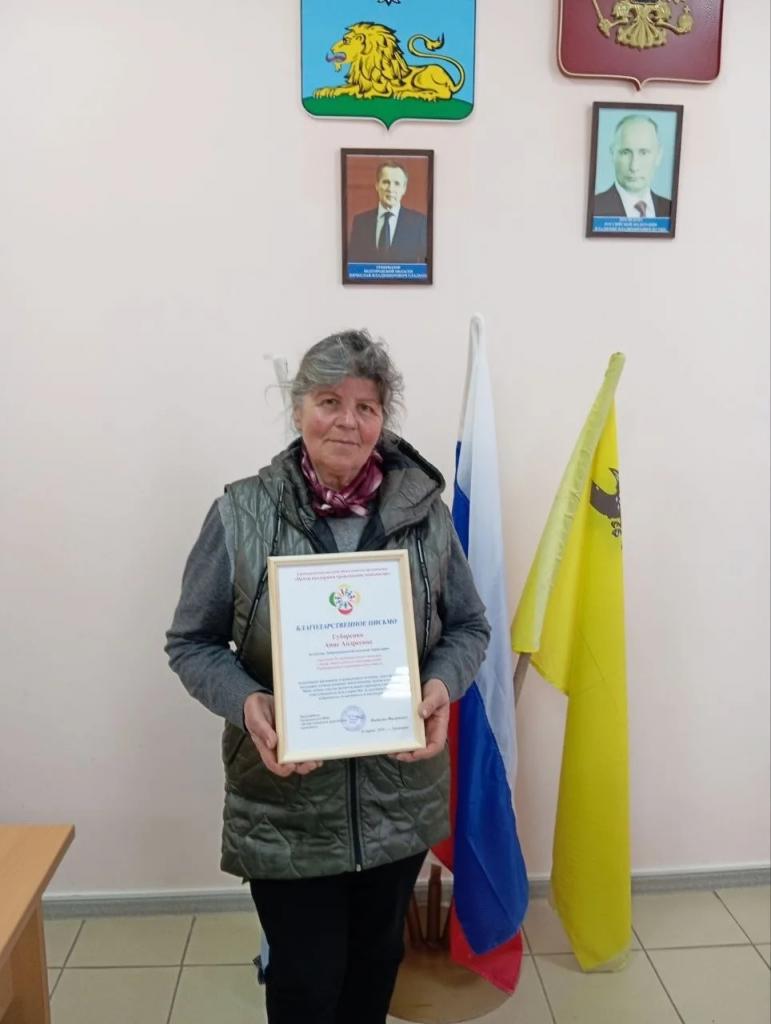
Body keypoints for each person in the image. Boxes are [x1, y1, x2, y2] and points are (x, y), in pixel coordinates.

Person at [165, 330, 490, 1024]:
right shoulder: (239, 514)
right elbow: (192, 642)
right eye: (329, 401)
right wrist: (247, 701)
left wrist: (440, 686)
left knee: (374, 973)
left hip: (398, 804)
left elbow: (468, 628)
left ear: (382, 419)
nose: (348, 421)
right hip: (286, 808)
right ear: (298, 410)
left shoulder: (425, 517)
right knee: (305, 985)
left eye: (366, 406)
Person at [593, 114, 672, 219]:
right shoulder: (595, 208)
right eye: (625, 152)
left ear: (658, 156)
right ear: (612, 154)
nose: (634, 167)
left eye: (643, 153)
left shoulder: (669, 209)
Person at [347, 162, 428, 263]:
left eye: (396, 183)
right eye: (386, 182)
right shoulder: (360, 222)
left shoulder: (419, 223)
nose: (390, 189)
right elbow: (353, 264)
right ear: (377, 185)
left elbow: (424, 266)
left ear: (404, 189)